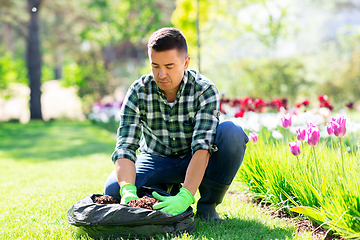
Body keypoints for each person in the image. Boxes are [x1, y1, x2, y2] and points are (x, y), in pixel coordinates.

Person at [103, 27, 248, 221]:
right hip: (156, 158)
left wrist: (186, 196)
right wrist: (128, 190)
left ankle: (207, 207)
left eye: (169, 66)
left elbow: (202, 147)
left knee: (232, 133)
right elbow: (125, 147)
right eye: (155, 66)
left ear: (186, 62)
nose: (161, 74)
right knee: (113, 189)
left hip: (193, 157)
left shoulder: (204, 90)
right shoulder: (138, 91)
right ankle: (164, 191)